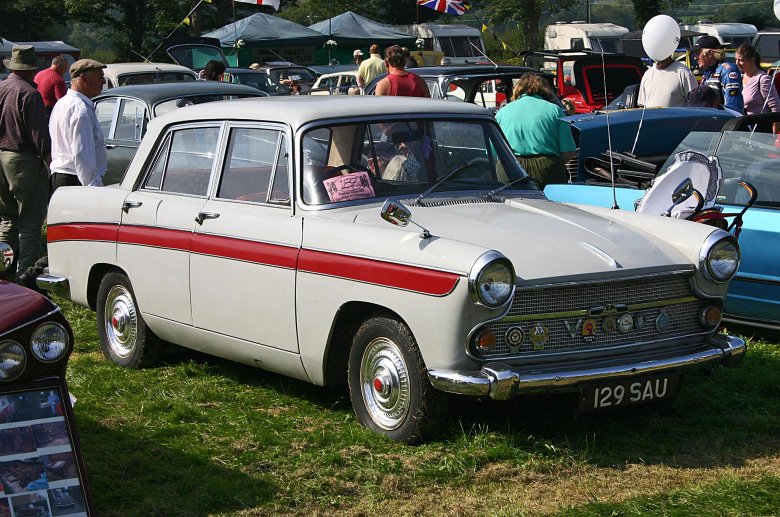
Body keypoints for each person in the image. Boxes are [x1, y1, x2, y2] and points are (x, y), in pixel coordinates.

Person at [0, 45, 51, 281]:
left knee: (8, 219)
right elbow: (39, 135)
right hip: (23, 160)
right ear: (32, 69)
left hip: (1, 157)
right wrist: (47, 160)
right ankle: (26, 277)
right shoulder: (29, 94)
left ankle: (4, 268)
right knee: (30, 223)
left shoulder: (1, 87)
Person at [495, 73, 576, 189]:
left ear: (517, 90)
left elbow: (493, 152)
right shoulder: (555, 110)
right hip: (547, 168)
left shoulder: (502, 112)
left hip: (509, 168)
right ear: (545, 90)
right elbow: (568, 151)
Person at [49, 59, 107, 194]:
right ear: (83, 78)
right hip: (74, 181)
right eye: (100, 76)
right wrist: (94, 189)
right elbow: (82, 156)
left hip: (62, 178)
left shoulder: (63, 103)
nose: (103, 82)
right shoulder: (80, 109)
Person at [693, 35, 743, 113]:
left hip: (725, 122)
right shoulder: (707, 73)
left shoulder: (727, 69)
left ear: (710, 53)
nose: (695, 58)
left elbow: (734, 107)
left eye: (697, 53)